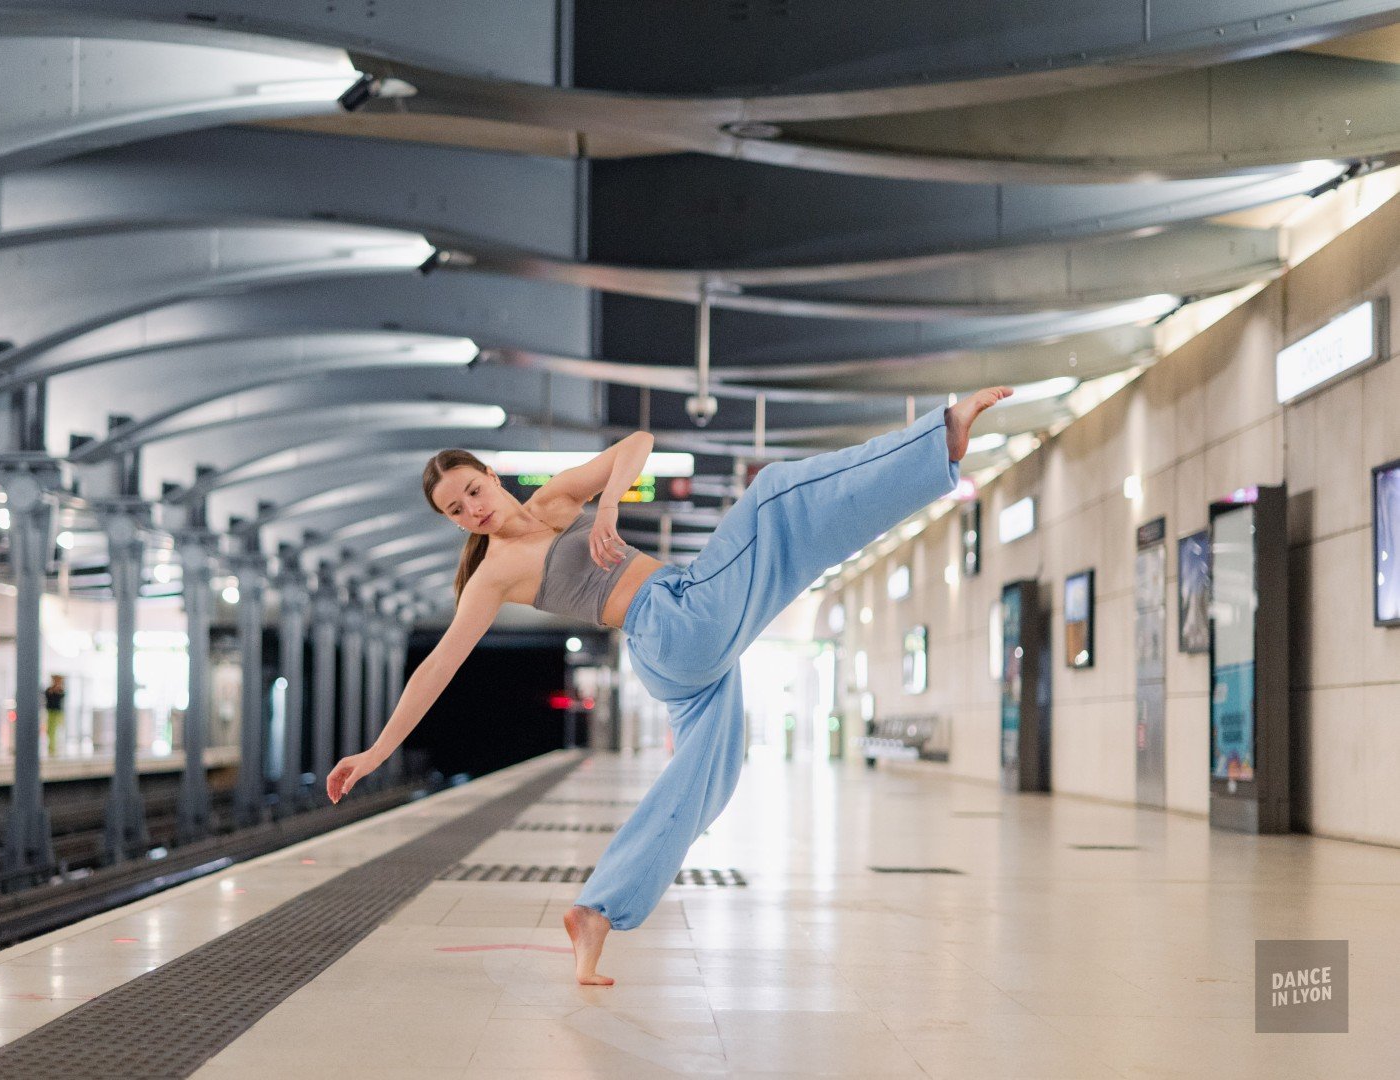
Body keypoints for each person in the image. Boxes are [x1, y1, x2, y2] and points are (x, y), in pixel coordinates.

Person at [326, 386, 1013, 984]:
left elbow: (639, 440)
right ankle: (936, 441)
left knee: (706, 777)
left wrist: (607, 507)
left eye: (471, 490)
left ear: (490, 474)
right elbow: (438, 665)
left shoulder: (556, 500)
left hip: (676, 644)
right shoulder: (493, 573)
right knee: (774, 493)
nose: (471, 509)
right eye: (453, 510)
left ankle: (595, 911)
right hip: (671, 621)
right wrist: (376, 753)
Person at [44, 674, 67, 757]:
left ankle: (58, 746)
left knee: (59, 729)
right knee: (51, 730)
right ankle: (51, 747)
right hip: (51, 712)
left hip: (58, 712)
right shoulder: (49, 690)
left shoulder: (61, 690)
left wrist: (58, 689)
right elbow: (47, 696)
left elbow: (62, 696)